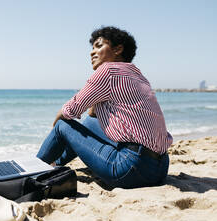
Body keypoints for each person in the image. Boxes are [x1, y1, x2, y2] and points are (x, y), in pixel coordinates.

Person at [37, 26, 173, 189]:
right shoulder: (136, 74)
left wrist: (57, 134)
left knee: (62, 126)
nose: (92, 52)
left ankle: (33, 169)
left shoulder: (107, 71)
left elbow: (68, 112)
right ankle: (55, 164)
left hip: (131, 169)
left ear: (118, 49)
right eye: (92, 48)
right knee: (88, 124)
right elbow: (92, 114)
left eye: (99, 46)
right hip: (160, 169)